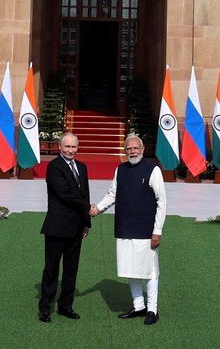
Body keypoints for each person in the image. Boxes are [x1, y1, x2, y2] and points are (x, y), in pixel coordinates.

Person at [91, 133, 166, 326]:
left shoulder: (153, 170)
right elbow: (112, 194)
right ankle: (138, 305)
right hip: (124, 228)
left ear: (142, 149)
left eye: (136, 148)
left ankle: (152, 309)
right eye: (129, 149)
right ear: (125, 151)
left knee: (150, 270)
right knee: (130, 268)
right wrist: (97, 208)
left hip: (146, 230)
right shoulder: (120, 169)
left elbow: (162, 201)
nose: (133, 151)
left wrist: (157, 230)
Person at [38, 133, 90, 323]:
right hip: (57, 227)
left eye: (73, 147)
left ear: (78, 147)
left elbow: (85, 193)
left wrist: (86, 222)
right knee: (51, 269)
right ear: (60, 147)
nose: (70, 150)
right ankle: (45, 308)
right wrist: (88, 207)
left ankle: (65, 306)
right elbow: (64, 193)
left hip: (76, 227)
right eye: (67, 146)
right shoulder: (54, 166)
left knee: (71, 269)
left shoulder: (82, 167)